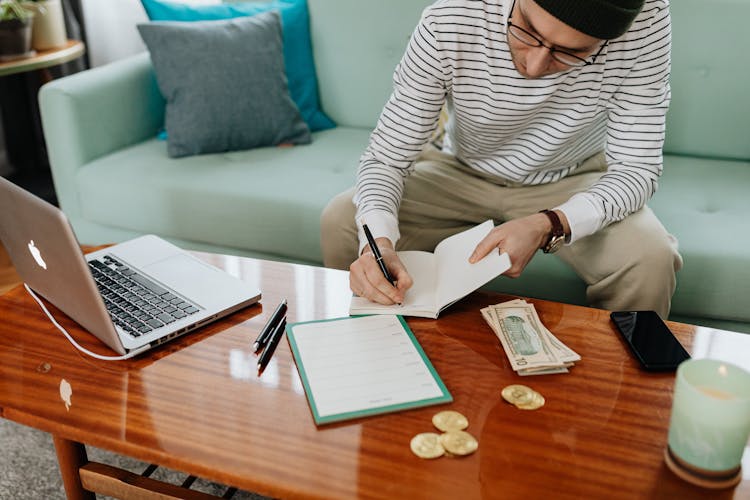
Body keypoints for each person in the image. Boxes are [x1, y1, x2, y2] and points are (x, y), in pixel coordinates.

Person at [321, 0, 682, 318]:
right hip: (457, 169)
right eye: (527, 29)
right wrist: (377, 246)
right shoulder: (452, 15)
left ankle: (619, 388)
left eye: (570, 52)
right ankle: (371, 356)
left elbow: (637, 169)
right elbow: (386, 158)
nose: (536, 65)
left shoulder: (646, 20)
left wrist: (550, 223)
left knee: (650, 259)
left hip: (571, 177)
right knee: (343, 220)